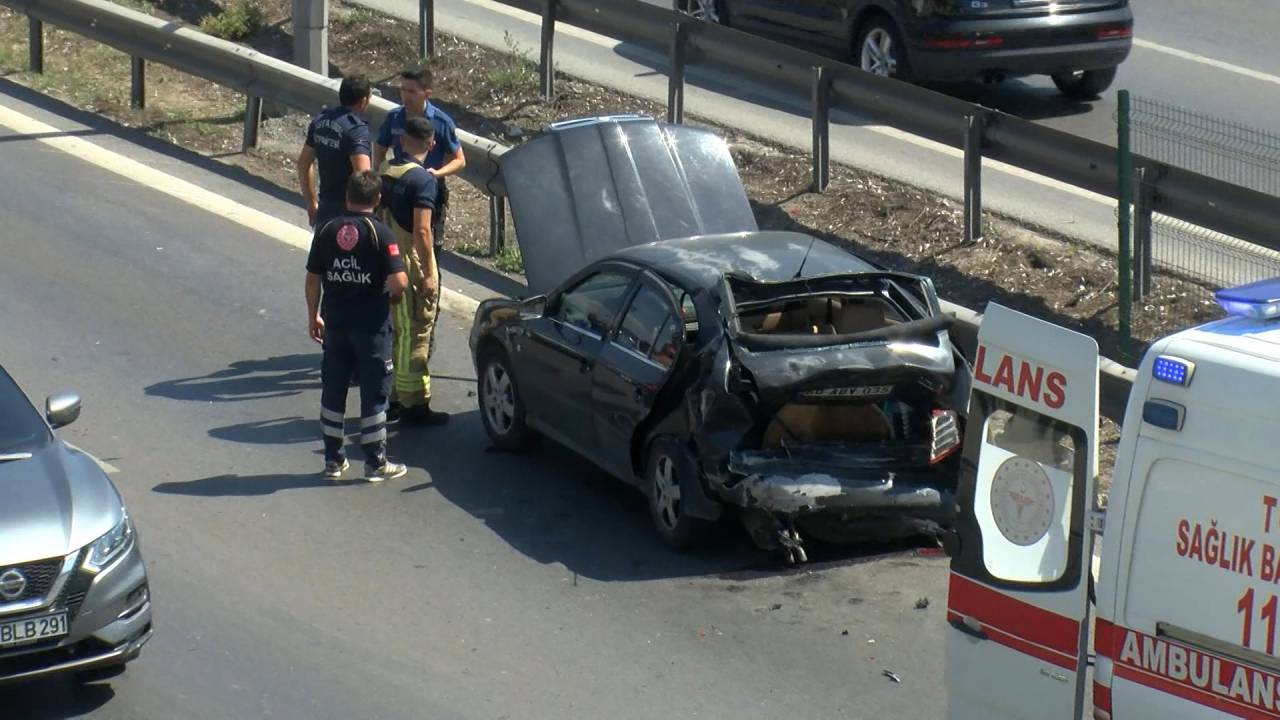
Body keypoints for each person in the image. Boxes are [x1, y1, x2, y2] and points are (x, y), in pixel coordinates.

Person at [305, 171, 410, 482]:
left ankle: (333, 461)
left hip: (335, 325)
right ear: (377, 200)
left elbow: (313, 278)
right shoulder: (380, 234)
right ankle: (375, 462)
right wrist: (396, 294)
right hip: (371, 328)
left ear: (347, 196)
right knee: (374, 395)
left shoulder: (326, 229)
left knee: (333, 391)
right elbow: (399, 280)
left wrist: (313, 315)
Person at [379, 117, 450, 427]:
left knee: (394, 332)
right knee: (416, 330)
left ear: (402, 141)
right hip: (410, 262)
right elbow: (422, 231)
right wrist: (429, 275)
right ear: (432, 145)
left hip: (384, 260)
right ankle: (414, 404)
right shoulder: (423, 181)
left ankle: (393, 396)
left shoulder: (385, 170)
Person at [372, 67, 465, 252]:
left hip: (429, 189)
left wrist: (436, 174)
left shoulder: (441, 121)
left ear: (426, 93)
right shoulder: (394, 117)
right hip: (399, 190)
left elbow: (460, 160)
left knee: (428, 246)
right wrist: (381, 172)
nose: (406, 96)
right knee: (394, 247)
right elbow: (380, 147)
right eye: (403, 90)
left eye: (412, 92)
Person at [298, 75, 373, 229]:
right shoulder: (356, 130)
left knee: (322, 252)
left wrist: (311, 203)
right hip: (349, 214)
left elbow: (303, 163)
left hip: (325, 207)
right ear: (364, 100)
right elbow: (363, 177)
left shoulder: (320, 121)